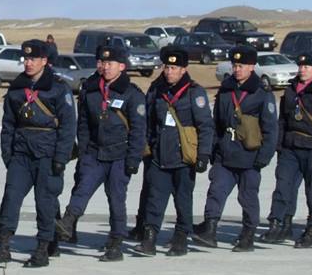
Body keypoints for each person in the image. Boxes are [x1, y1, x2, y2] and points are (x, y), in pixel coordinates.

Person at [0, 39, 76, 268]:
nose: (28, 63)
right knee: (11, 199)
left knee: (44, 204)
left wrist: (61, 158)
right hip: (21, 155)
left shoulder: (58, 88)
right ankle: (3, 245)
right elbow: (8, 124)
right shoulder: (17, 89)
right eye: (25, 59)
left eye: (33, 59)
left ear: (44, 61)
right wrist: (8, 154)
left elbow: (68, 127)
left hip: (47, 155)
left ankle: (43, 249)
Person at [54, 45, 146, 261]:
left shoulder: (132, 94)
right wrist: (84, 152)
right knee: (82, 190)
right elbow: (84, 124)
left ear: (122, 67)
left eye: (110, 64)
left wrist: (133, 159)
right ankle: (68, 223)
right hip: (95, 153)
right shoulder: (91, 90)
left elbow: (139, 130)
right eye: (103, 63)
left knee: (116, 199)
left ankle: (116, 242)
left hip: (120, 155)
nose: (105, 67)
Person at [192, 46, 277, 252]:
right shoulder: (226, 90)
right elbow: (217, 123)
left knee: (247, 197)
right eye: (235, 65)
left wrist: (263, 157)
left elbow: (271, 129)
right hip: (226, 153)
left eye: (242, 66)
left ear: (252, 67)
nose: (237, 69)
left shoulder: (261, 94)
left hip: (250, 155)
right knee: (216, 191)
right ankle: (210, 229)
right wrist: (213, 149)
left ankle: (248, 235)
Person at [137, 47, 213, 257]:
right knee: (154, 199)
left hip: (183, 158)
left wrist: (204, 155)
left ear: (183, 69)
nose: (169, 71)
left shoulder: (194, 92)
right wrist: (145, 147)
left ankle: (181, 239)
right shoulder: (156, 90)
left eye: (174, 67)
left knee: (183, 200)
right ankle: (149, 239)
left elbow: (205, 126)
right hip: (159, 156)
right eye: (166, 67)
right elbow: (147, 121)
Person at [259, 53, 312, 248]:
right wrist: (279, 144)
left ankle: (311, 230)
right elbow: (283, 120)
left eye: (307, 67)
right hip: (291, 148)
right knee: (283, 187)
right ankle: (279, 223)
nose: (302, 69)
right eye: (301, 66)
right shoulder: (292, 90)